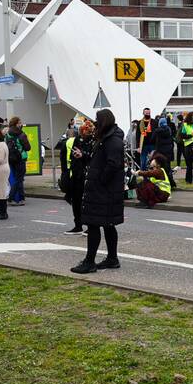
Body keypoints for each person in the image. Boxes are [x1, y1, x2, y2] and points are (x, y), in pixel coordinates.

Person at [71, 109, 125, 273]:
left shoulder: (112, 141)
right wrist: (85, 156)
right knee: (108, 225)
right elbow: (99, 161)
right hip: (104, 190)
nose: (94, 124)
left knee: (94, 224)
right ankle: (112, 258)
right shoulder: (105, 139)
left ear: (104, 122)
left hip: (104, 191)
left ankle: (89, 262)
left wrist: (100, 181)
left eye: (97, 121)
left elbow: (112, 165)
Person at [62, 119, 93, 234]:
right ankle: (78, 225)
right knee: (76, 201)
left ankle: (90, 226)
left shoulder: (93, 142)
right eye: (83, 131)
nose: (85, 133)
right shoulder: (76, 140)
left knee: (87, 202)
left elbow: (92, 157)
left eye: (87, 131)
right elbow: (69, 156)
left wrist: (83, 155)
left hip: (87, 175)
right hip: (76, 174)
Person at [6, 116, 31, 206]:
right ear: (17, 124)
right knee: (19, 179)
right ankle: (10, 198)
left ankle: (21, 198)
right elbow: (28, 148)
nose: (21, 124)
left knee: (18, 178)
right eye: (20, 123)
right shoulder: (21, 134)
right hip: (20, 158)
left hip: (11, 158)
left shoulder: (8, 134)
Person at [152, 117, 177, 189]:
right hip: (168, 152)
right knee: (168, 168)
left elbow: (152, 139)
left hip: (160, 152)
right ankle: (171, 183)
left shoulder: (157, 131)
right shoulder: (169, 130)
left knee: (160, 168)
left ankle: (162, 183)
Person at [180, 112, 193, 184]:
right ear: (189, 117)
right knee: (189, 165)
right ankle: (188, 180)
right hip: (188, 146)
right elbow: (182, 136)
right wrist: (191, 135)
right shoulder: (185, 125)